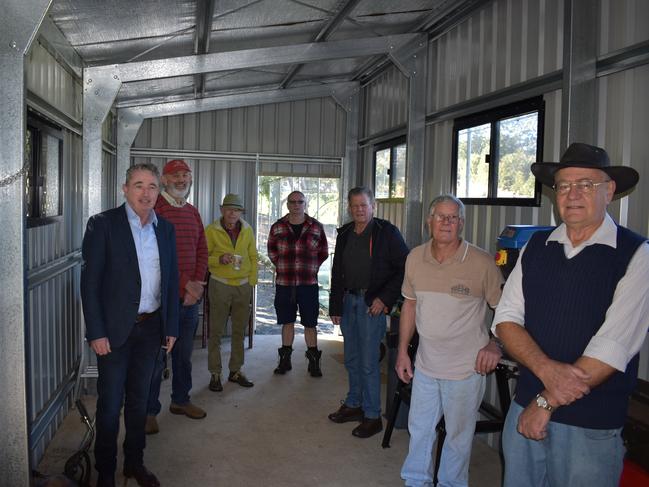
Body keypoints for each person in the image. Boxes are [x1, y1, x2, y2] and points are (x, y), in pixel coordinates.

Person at [492, 143, 649, 487]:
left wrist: (546, 402)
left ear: (609, 191)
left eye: (586, 184)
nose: (572, 194)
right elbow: (505, 319)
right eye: (564, 185)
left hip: (589, 425)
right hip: (524, 408)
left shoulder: (637, 255)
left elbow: (613, 346)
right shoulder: (536, 247)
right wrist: (545, 377)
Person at [81, 163, 179, 487]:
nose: (146, 193)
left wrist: (172, 326)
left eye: (152, 186)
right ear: (125, 189)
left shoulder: (164, 229)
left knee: (139, 402)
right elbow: (90, 283)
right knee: (110, 405)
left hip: (151, 329)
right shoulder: (103, 225)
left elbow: (171, 281)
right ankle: (105, 471)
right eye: (139, 185)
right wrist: (96, 332)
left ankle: (134, 463)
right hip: (114, 332)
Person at [396, 194, 503, 487]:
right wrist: (403, 352)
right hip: (426, 366)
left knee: (458, 437)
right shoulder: (415, 257)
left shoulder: (481, 262)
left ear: (462, 224)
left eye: (453, 217)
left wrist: (495, 343)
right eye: (440, 216)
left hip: (466, 370)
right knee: (420, 430)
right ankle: (416, 481)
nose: (446, 222)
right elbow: (409, 305)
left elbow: (506, 310)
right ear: (429, 221)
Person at [328, 186, 409, 438]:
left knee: (368, 363)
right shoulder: (344, 234)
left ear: (373, 206)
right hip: (348, 302)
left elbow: (404, 268)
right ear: (349, 208)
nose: (359, 210)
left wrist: (384, 299)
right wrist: (335, 305)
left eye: (364, 205)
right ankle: (354, 404)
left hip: (370, 304)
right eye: (354, 206)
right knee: (351, 359)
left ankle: (372, 415)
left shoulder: (387, 233)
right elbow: (336, 272)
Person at [145, 159, 208, 435]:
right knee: (156, 359)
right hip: (162, 300)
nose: (182, 179)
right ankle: (148, 411)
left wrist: (197, 284)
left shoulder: (193, 212)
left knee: (183, 356)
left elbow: (202, 251)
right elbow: (158, 256)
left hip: (189, 299)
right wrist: (187, 286)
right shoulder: (155, 210)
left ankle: (180, 400)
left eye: (186, 175)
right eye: (176, 175)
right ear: (165, 180)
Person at [267, 191, 329, 377]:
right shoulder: (277, 227)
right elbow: (272, 251)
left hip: (308, 283)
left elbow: (323, 252)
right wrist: (282, 265)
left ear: (305, 204)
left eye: (300, 202)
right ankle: (285, 361)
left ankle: (314, 363)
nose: (296, 205)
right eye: (292, 202)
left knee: (310, 323)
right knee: (287, 321)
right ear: (287, 204)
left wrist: (311, 268)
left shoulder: (316, 227)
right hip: (285, 283)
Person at [205, 193, 258, 391]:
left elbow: (253, 255)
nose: (232, 213)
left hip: (243, 286)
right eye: (229, 209)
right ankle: (215, 373)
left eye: (236, 210)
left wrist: (251, 281)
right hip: (220, 284)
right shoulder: (211, 230)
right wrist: (218, 260)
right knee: (216, 331)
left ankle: (235, 370)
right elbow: (203, 257)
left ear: (240, 212)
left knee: (239, 331)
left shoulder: (247, 229)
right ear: (222, 210)